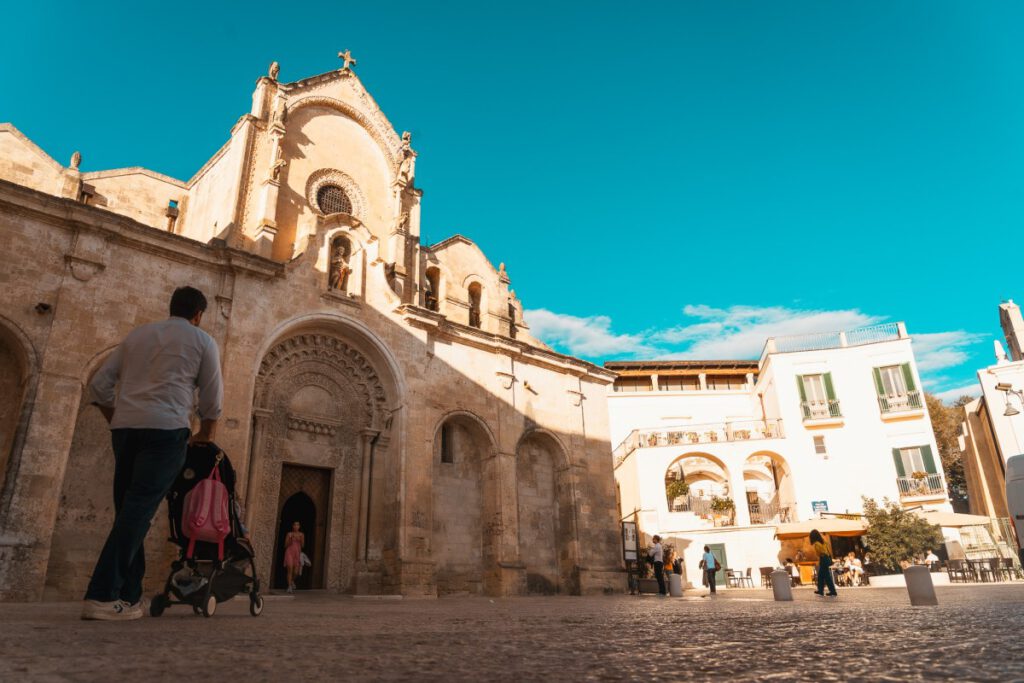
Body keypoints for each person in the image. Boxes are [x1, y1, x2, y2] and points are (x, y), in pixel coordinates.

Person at [82, 286, 223, 621]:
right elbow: (212, 399)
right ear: (198, 314)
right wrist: (205, 434)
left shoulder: (137, 335)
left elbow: (99, 385)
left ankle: (129, 598)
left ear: (171, 307)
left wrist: (117, 419)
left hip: (126, 430)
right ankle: (102, 595)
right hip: (167, 431)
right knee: (137, 513)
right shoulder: (202, 341)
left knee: (130, 512)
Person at [810, 529, 837, 597]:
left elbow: (820, 552)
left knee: (824, 576)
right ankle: (822, 590)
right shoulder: (823, 541)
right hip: (827, 558)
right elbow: (827, 550)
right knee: (822, 576)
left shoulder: (816, 543)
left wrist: (820, 555)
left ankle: (831, 591)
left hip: (823, 559)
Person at [283, 521, 305, 593]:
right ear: (292, 526)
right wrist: (290, 539)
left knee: (296, 572)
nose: (296, 526)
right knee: (290, 569)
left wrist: (300, 539)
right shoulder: (289, 534)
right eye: (295, 525)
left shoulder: (301, 534)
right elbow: (285, 545)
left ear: (299, 526)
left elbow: (302, 545)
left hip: (297, 553)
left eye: (297, 525)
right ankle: (289, 587)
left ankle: (292, 581)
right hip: (289, 552)